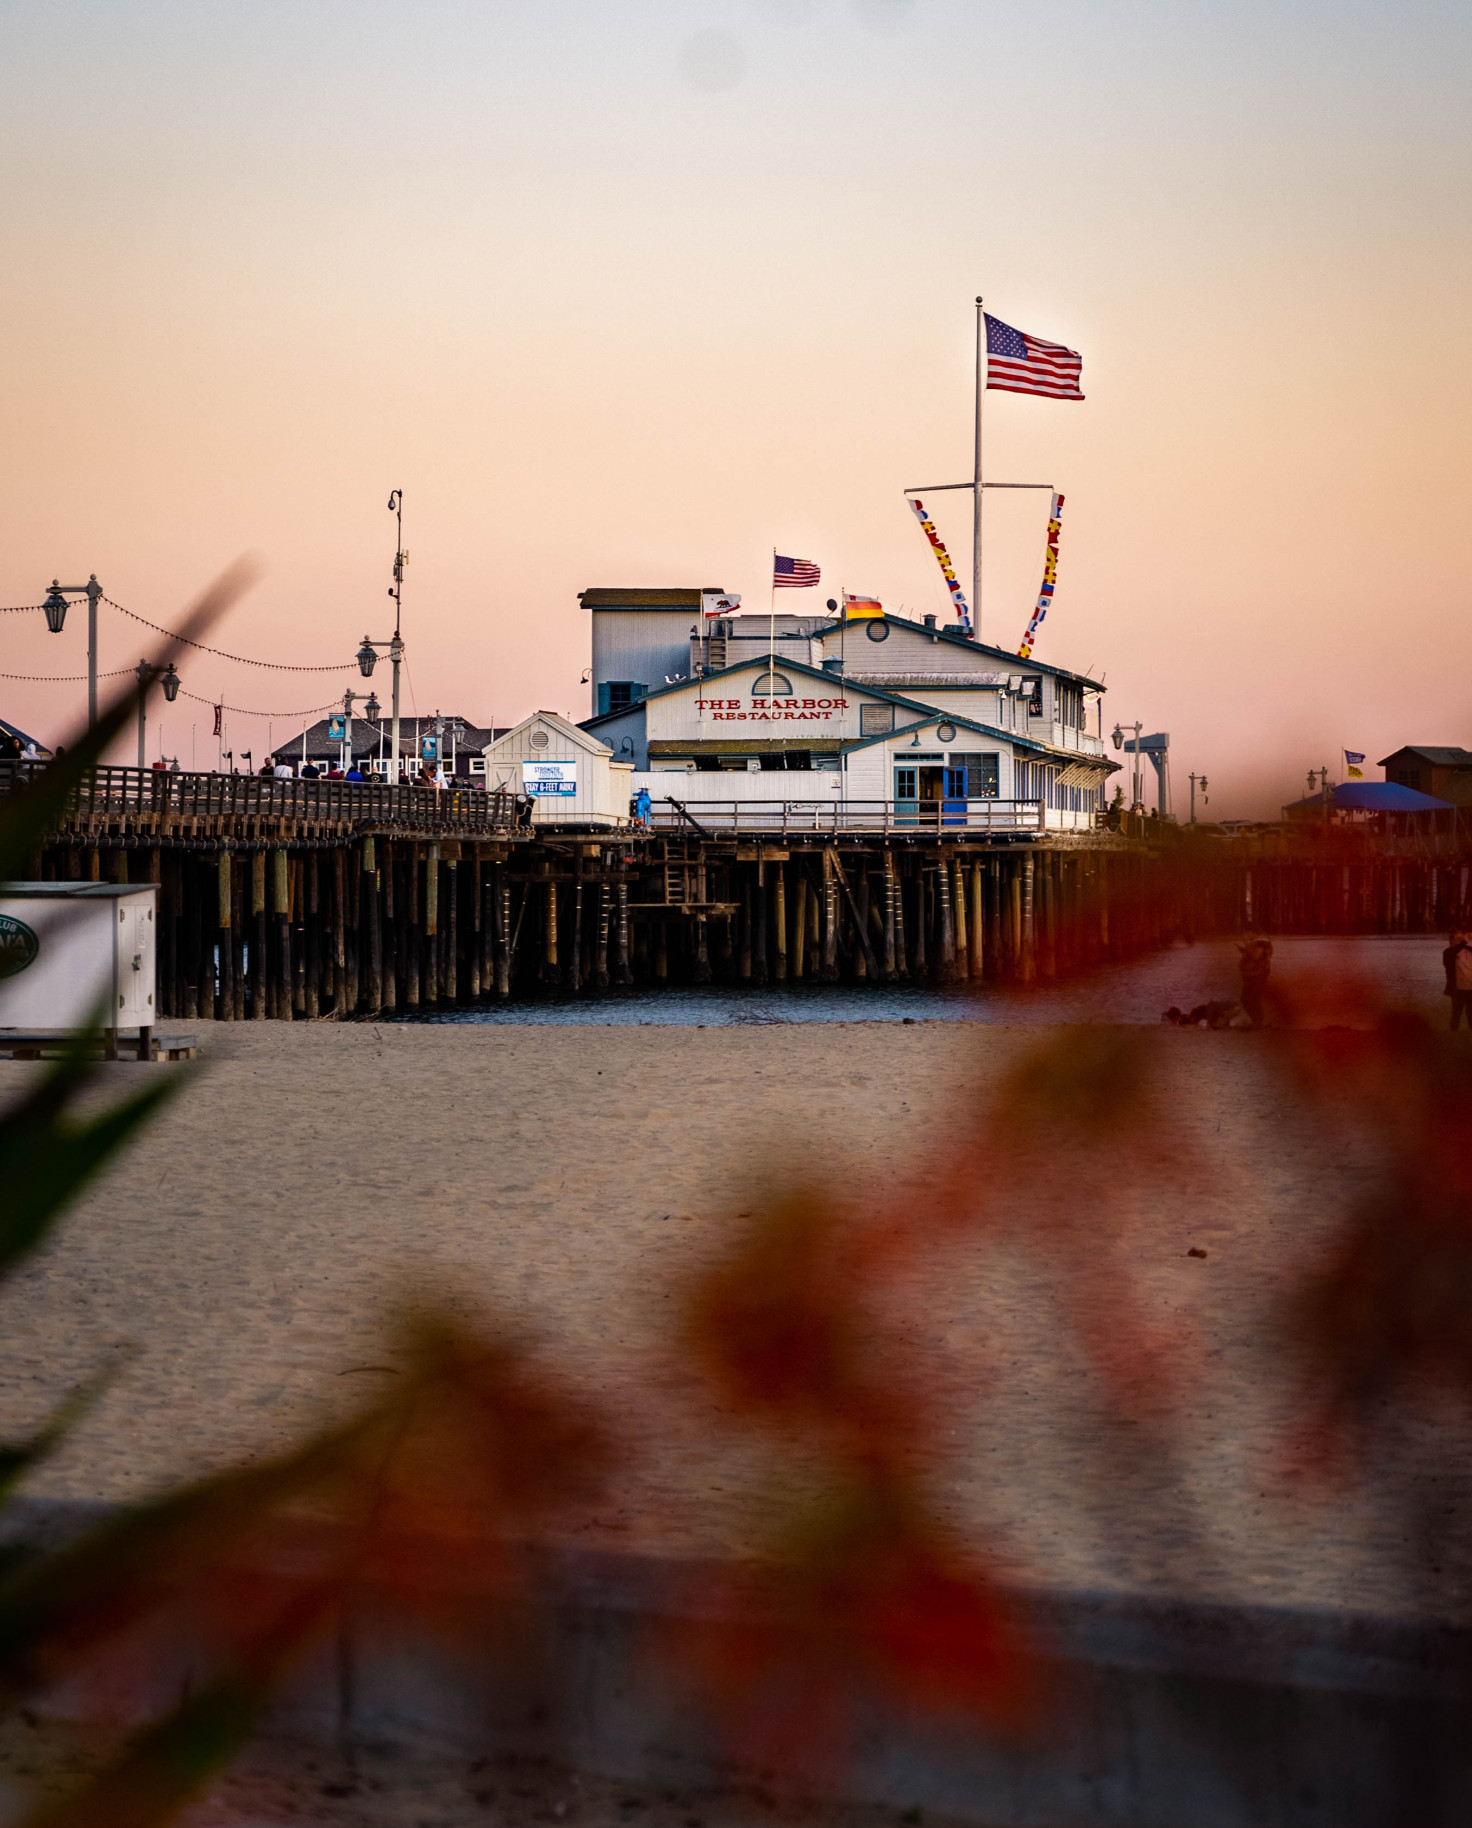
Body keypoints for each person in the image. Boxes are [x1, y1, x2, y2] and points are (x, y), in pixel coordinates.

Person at [1238, 933, 1273, 1028]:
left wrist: (1246, 945)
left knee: (1250, 999)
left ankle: (1258, 1022)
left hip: (1256, 976)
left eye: (1245, 932)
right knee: (1250, 999)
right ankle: (1258, 1022)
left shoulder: (1262, 942)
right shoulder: (1258, 943)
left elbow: (1256, 956)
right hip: (1253, 976)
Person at [1444, 931, 1472, 1031]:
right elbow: (1454, 951)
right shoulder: (1448, 952)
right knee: (1456, 1015)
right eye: (1458, 939)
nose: (1461, 941)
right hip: (1457, 989)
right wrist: (1464, 941)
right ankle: (1453, 1036)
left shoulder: (1469, 950)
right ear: (1451, 941)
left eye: (1461, 939)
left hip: (1470, 989)